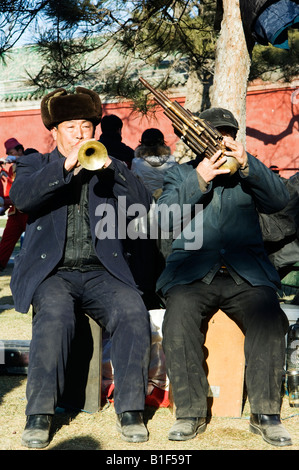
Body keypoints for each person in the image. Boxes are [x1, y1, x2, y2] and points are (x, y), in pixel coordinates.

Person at [9, 87, 152, 448]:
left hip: (102, 271)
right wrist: (65, 165)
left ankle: (131, 410)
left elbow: (144, 205)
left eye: (87, 126)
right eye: (71, 126)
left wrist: (114, 169)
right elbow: (21, 198)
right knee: (55, 316)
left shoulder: (109, 166)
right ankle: (39, 414)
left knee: (133, 311)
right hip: (53, 272)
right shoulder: (34, 164)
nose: (81, 134)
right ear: (54, 132)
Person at [156, 107, 293, 447]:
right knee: (178, 321)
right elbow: (163, 219)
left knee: (269, 318)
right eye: (213, 135)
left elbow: (281, 199)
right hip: (192, 273)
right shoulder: (179, 175)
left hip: (245, 273)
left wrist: (248, 164)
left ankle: (265, 414)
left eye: (227, 134)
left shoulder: (250, 174)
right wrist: (199, 178)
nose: (219, 141)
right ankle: (190, 412)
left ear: (234, 138)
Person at [0, 138, 28, 270]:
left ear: (20, 150)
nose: (10, 156)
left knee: (34, 245)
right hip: (15, 213)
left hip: (30, 212)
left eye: (12, 152)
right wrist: (3, 206)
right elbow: (9, 193)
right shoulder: (12, 169)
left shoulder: (32, 162)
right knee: (5, 245)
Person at [132, 128, 177, 196]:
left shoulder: (136, 162)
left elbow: (134, 185)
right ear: (162, 142)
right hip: (167, 201)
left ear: (142, 143)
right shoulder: (172, 161)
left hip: (145, 201)